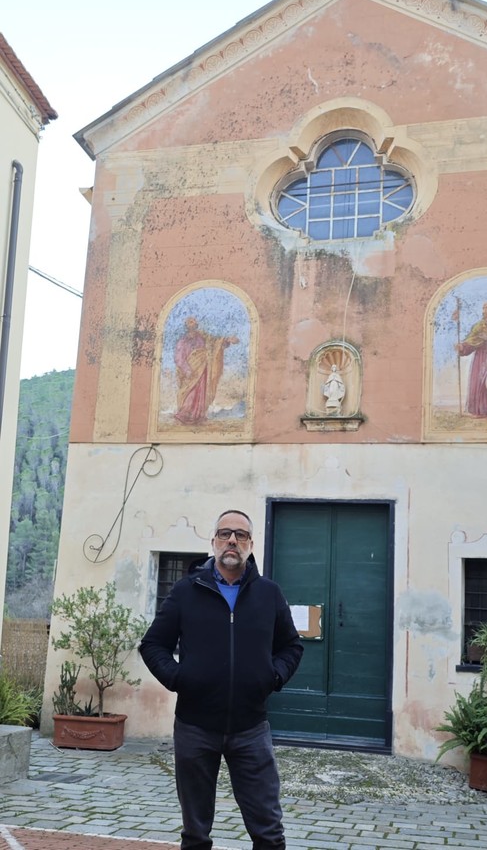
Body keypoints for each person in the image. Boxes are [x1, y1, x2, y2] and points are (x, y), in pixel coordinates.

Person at [139, 509, 303, 850]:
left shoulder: (269, 594)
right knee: (195, 833)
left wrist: (272, 677)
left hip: (251, 729)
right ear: (213, 541)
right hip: (195, 728)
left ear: (251, 544)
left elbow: (291, 646)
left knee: (269, 832)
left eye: (240, 535)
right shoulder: (186, 592)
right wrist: (179, 678)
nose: (232, 540)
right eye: (225, 533)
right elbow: (153, 644)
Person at [173, 317, 239, 425]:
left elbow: (215, 343)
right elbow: (179, 358)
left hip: (203, 369)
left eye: (194, 326)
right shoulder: (183, 341)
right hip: (191, 371)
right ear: (187, 327)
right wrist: (187, 370)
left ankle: (198, 415)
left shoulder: (202, 337)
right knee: (190, 391)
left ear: (196, 326)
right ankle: (185, 414)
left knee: (201, 391)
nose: (193, 328)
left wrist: (227, 340)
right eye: (190, 326)